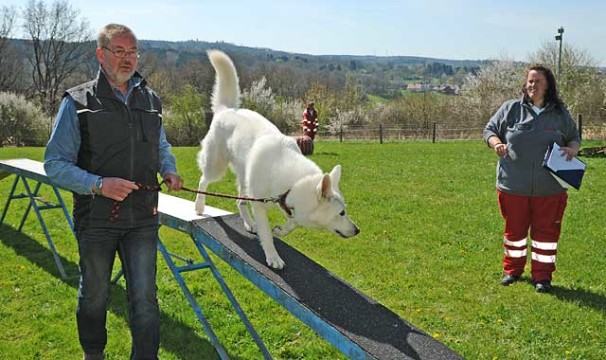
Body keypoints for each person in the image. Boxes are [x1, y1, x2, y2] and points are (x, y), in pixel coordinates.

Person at [44, 24, 183, 359]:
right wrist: (99, 185)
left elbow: (161, 145)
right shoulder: (76, 103)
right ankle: (94, 353)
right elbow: (55, 164)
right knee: (94, 295)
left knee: (146, 299)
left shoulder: (151, 100)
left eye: (132, 51)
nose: (127, 58)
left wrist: (170, 168)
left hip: (143, 218)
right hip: (97, 220)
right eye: (119, 51)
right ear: (101, 54)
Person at [483, 64, 580, 293]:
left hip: (550, 189)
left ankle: (542, 277)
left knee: (546, 235)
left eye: (538, 82)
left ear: (548, 86)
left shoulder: (559, 114)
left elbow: (574, 138)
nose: (532, 85)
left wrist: (573, 149)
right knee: (514, 232)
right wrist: (496, 143)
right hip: (513, 185)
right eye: (530, 81)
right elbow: (489, 130)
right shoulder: (511, 109)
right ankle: (512, 271)